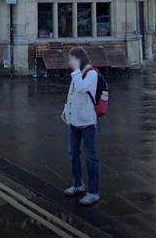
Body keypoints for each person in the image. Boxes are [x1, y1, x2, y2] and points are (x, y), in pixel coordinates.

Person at [61, 46, 100, 206]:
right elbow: (72, 94)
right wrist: (65, 110)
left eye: (71, 59)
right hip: (74, 121)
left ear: (78, 59)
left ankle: (94, 192)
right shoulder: (77, 74)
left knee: (91, 157)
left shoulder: (91, 74)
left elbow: (82, 88)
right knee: (73, 153)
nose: (69, 62)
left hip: (87, 122)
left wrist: (77, 71)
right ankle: (78, 184)